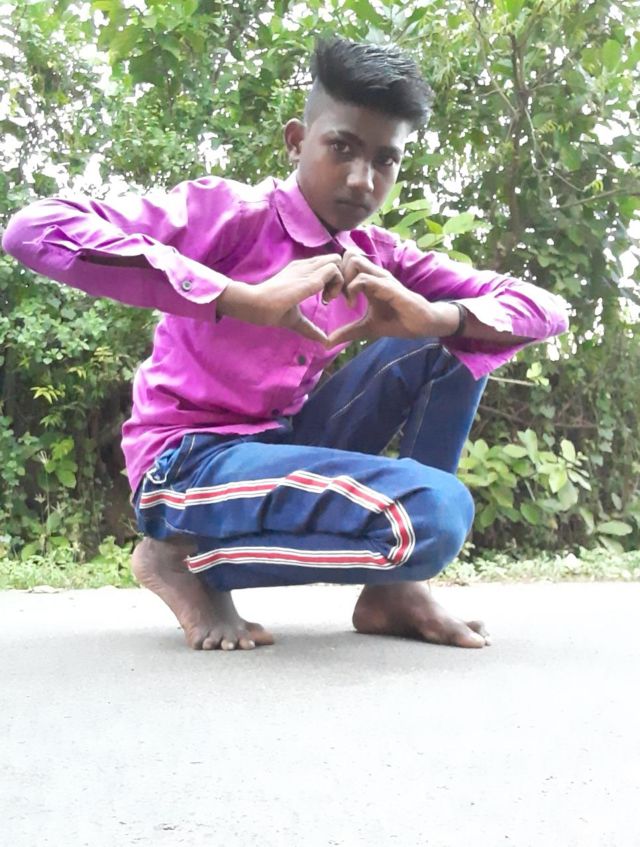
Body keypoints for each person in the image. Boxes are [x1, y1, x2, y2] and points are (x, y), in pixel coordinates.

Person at [3, 37, 568, 652]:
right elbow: (35, 228)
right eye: (342, 148)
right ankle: (180, 557)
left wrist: (435, 316)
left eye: (385, 160)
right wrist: (238, 297)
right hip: (185, 461)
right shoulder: (229, 214)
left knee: (452, 344)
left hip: (281, 441)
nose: (362, 179)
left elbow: (546, 309)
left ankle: (396, 591)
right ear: (297, 141)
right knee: (434, 514)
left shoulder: (377, 258)